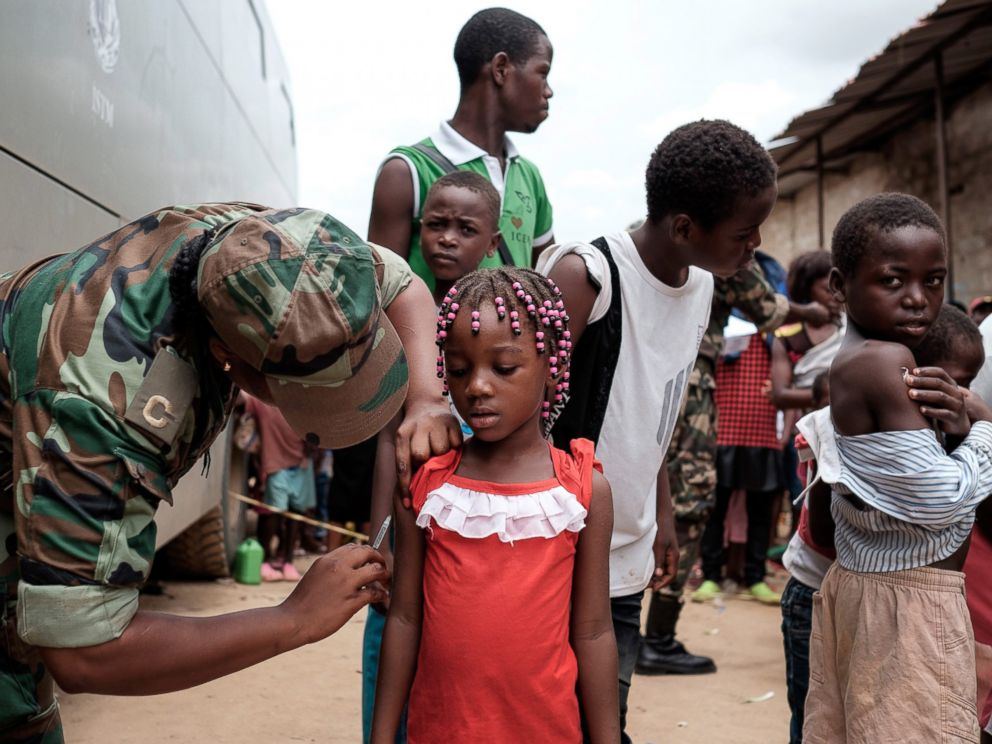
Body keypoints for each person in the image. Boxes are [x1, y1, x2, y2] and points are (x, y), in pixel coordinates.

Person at [0, 203, 460, 742]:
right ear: (229, 359)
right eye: (315, 394)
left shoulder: (278, 250)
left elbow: (400, 282)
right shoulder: (100, 401)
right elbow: (85, 654)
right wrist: (293, 620)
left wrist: (429, 397)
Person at [539, 119, 778, 741]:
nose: (754, 246)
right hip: (555, 551)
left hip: (627, 548)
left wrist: (662, 512)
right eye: (745, 233)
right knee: (553, 715)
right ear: (684, 228)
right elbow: (522, 413)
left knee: (603, 716)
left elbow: (656, 407)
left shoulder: (700, 284)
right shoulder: (587, 277)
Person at [371, 267, 619, 743]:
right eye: (459, 370)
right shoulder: (428, 485)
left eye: (503, 368)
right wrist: (382, 737)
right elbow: (404, 618)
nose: (477, 387)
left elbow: (592, 632)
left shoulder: (582, 489)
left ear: (554, 370)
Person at [800, 193, 992, 742]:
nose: (918, 300)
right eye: (893, 281)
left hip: (874, 591)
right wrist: (982, 425)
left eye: (933, 281)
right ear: (839, 286)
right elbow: (943, 500)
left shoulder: (866, 357)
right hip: (911, 605)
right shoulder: (884, 362)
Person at [359, 171, 503, 743]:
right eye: (435, 224)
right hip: (409, 524)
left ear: (492, 242)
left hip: (472, 541)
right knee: (388, 642)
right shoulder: (399, 318)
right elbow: (387, 437)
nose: (447, 238)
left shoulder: (501, 320)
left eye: (465, 229)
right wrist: (380, 541)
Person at [636, 259, 832, 676]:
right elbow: (766, 307)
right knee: (689, 504)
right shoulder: (716, 247)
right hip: (688, 385)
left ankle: (629, 628)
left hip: (639, 381)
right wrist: (810, 312)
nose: (752, 244)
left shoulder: (645, 239)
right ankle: (657, 638)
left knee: (636, 498)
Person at [368, 7, 555, 285]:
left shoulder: (529, 176)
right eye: (543, 73)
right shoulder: (407, 171)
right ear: (501, 69)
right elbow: (379, 297)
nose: (548, 90)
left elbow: (547, 290)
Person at [242, 393, 316, 581]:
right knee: (274, 513)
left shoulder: (305, 402)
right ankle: (266, 561)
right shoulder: (261, 399)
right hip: (275, 464)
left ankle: (288, 562)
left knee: (295, 514)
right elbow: (240, 398)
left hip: (301, 463)